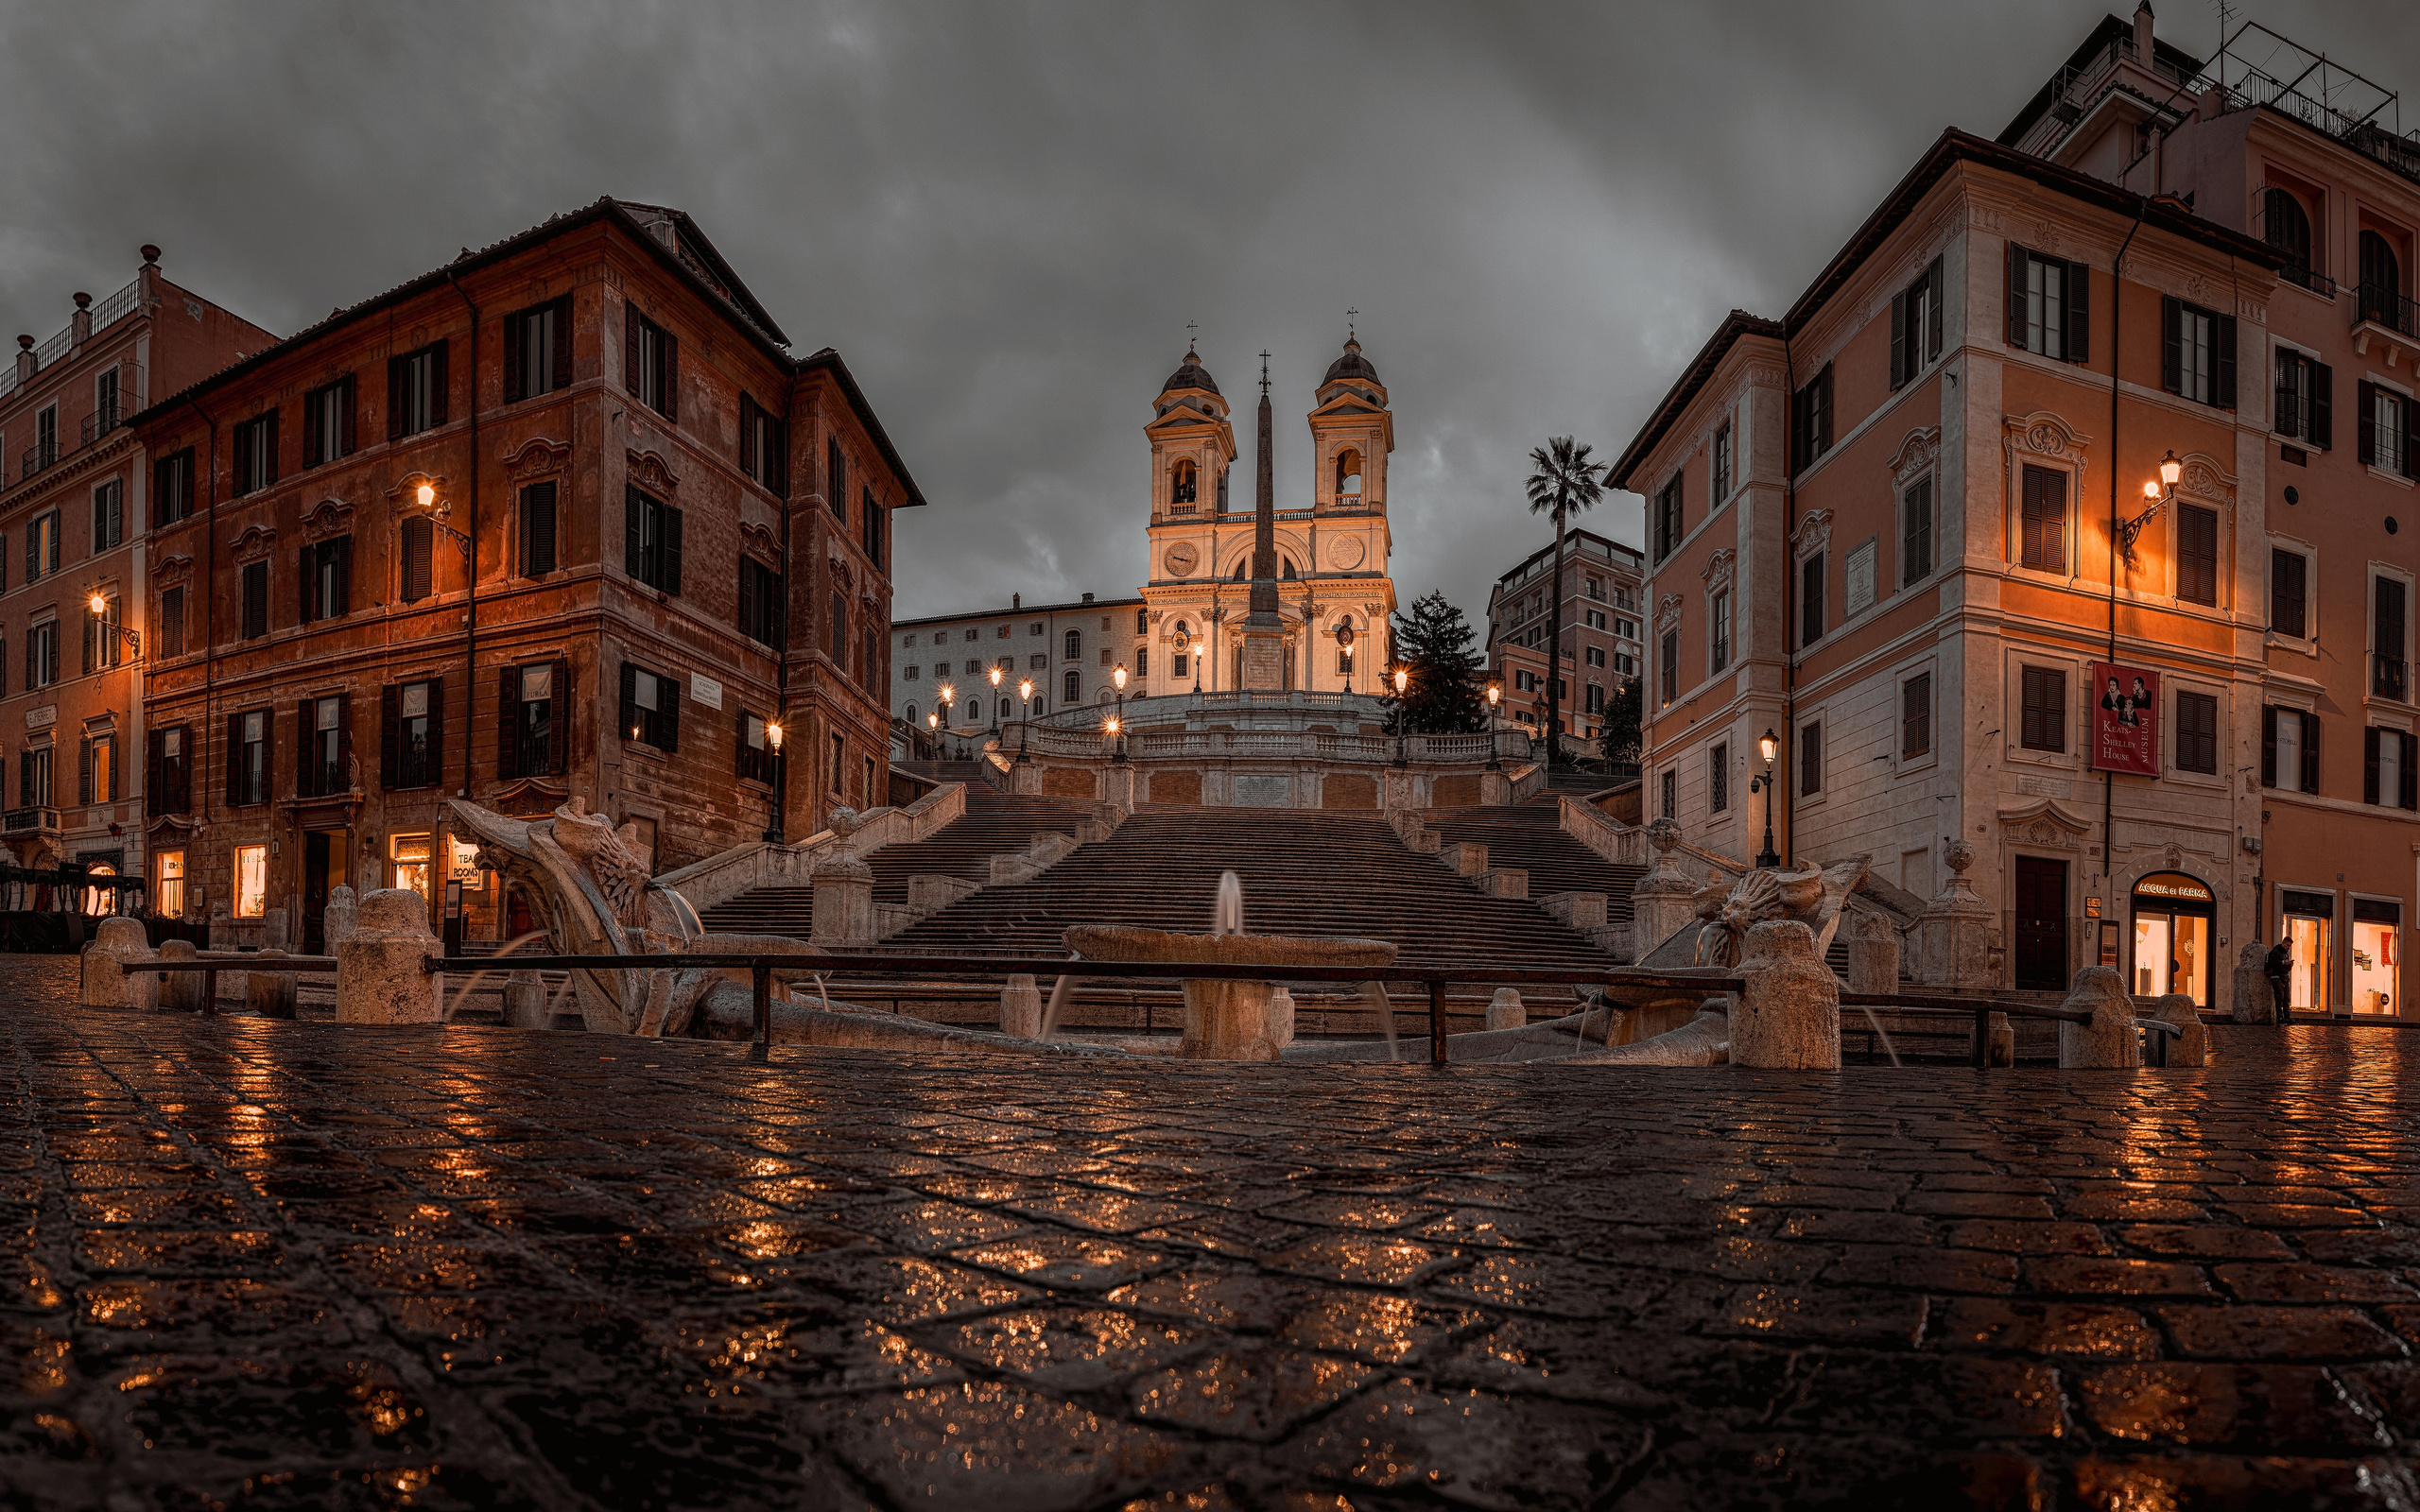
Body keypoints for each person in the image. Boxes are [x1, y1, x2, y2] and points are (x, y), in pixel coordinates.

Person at [2263, 938, 2292, 1024]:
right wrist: (2284, 963)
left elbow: (2286, 968)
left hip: (2284, 977)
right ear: (2283, 943)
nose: (2288, 948)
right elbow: (2273, 963)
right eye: (2287, 945)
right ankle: (2280, 1018)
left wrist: (2289, 965)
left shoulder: (2286, 954)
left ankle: (2287, 1018)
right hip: (2276, 977)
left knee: (2287, 999)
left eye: (2290, 946)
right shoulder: (2275, 951)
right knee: (2279, 998)